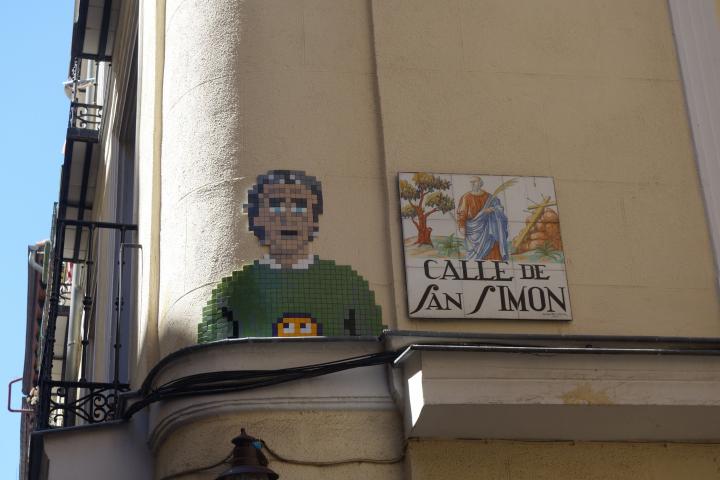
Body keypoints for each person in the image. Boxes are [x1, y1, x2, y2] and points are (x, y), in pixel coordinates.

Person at [198, 170, 383, 342]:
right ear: (257, 218)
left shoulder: (348, 284)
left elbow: (377, 346)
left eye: (300, 206)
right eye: (276, 205)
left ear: (314, 219)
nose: (288, 216)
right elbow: (210, 352)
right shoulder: (233, 290)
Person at [456, 176, 509, 261]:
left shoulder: (489, 197)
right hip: (473, 230)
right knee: (473, 257)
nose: (473, 184)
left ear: (480, 183)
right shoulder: (466, 197)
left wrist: (493, 210)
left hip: (488, 230)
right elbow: (462, 213)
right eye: (471, 182)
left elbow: (499, 208)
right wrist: (462, 226)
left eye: (475, 182)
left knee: (492, 249)